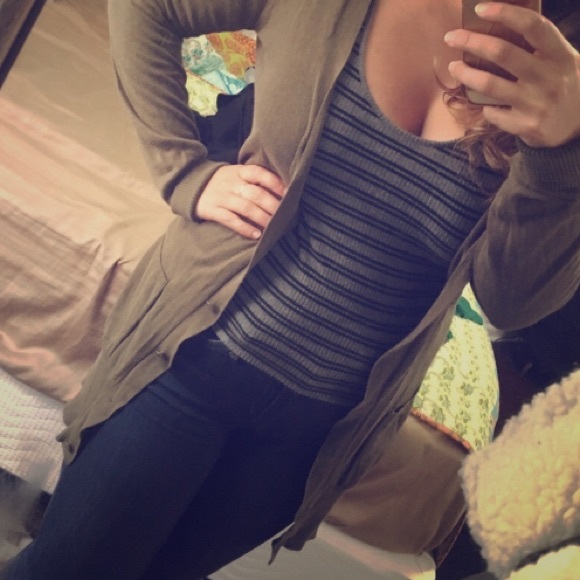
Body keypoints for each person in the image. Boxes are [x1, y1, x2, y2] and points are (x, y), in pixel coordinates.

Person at [2, 1, 579, 578]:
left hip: (312, 439)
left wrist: (560, 150)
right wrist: (184, 172)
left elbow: (510, 301)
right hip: (188, 360)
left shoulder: (559, 84)